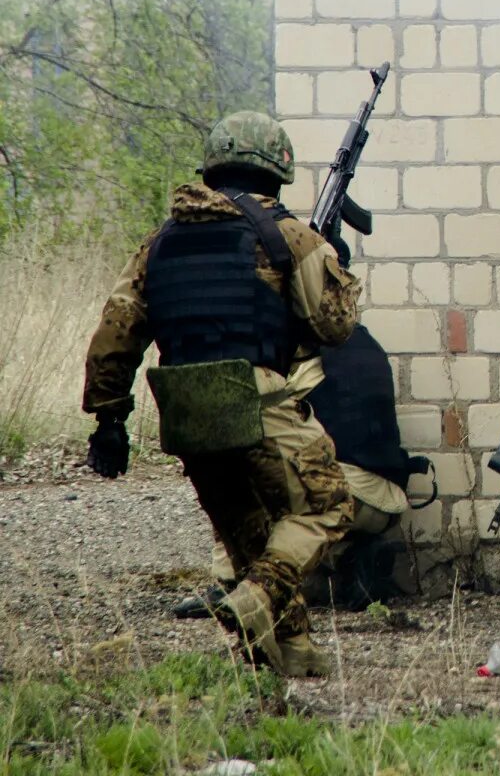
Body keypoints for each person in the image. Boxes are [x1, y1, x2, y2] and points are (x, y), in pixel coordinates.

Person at [83, 111, 360, 675]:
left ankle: (289, 654)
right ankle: (255, 600)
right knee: (329, 504)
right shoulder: (284, 234)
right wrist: (337, 272)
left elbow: (115, 333)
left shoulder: (158, 242)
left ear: (211, 170)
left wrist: (108, 422)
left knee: (253, 535)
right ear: (276, 174)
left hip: (184, 406)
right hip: (253, 395)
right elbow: (335, 327)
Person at [172, 324, 426, 617]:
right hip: (385, 504)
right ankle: (355, 559)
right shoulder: (359, 338)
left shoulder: (294, 353)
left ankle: (230, 583)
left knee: (229, 466)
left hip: (342, 496)